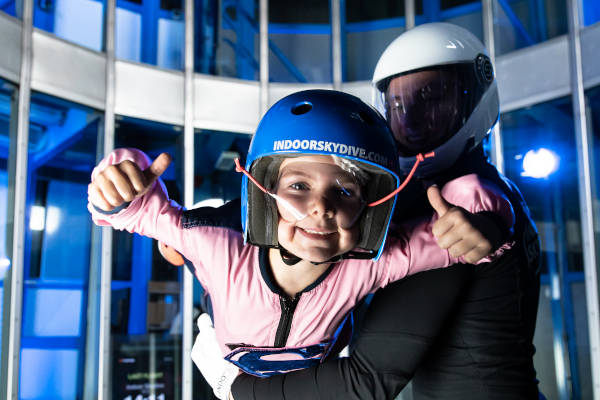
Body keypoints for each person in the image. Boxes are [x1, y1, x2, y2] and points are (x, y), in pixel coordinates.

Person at [88, 90, 511, 399]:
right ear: (264, 192)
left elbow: (464, 224)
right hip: (219, 366)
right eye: (298, 185)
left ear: (370, 208)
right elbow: (135, 210)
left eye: (344, 192)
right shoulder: (214, 243)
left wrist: (486, 223)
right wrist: (121, 176)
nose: (320, 208)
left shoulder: (373, 263)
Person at [194, 23, 541, 400]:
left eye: (432, 98)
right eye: (398, 104)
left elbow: (367, 381)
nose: (411, 118)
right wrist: (202, 239)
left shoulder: (455, 212)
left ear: (475, 98)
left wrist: (237, 389)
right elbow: (281, 216)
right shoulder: (449, 192)